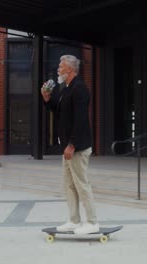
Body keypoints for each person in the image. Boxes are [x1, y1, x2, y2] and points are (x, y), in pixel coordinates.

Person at [41, 55, 99, 235]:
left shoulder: (80, 89)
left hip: (77, 148)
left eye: (61, 66)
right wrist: (47, 98)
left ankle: (92, 222)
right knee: (69, 185)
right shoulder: (66, 89)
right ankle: (74, 221)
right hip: (67, 147)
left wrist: (72, 145)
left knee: (82, 184)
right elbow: (59, 113)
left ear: (71, 69)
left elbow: (81, 120)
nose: (58, 69)